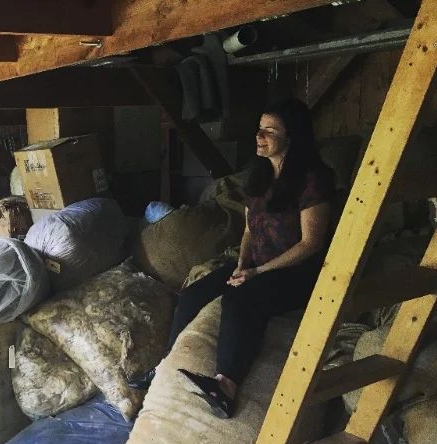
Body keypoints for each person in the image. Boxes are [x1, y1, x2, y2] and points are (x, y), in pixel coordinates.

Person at [130, 97, 335, 419]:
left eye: (270, 131)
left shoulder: (313, 180)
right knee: (195, 293)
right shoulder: (258, 177)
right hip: (258, 263)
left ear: (292, 137)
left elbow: (311, 243)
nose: (259, 136)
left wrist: (258, 273)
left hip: (297, 270)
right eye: (259, 129)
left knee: (239, 300)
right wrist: (241, 264)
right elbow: (250, 230)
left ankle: (225, 386)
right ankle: (164, 365)